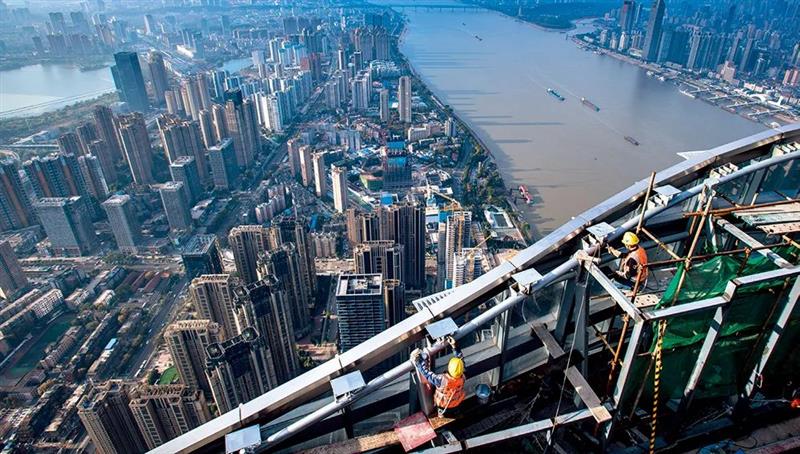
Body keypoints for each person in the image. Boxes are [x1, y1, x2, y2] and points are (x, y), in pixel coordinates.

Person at [410, 335, 465, 416]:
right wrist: (455, 347)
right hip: (457, 404)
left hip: (443, 408)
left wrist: (418, 362)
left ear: (449, 368)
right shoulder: (463, 377)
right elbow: (461, 362)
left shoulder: (442, 380)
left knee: (443, 414)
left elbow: (427, 374)